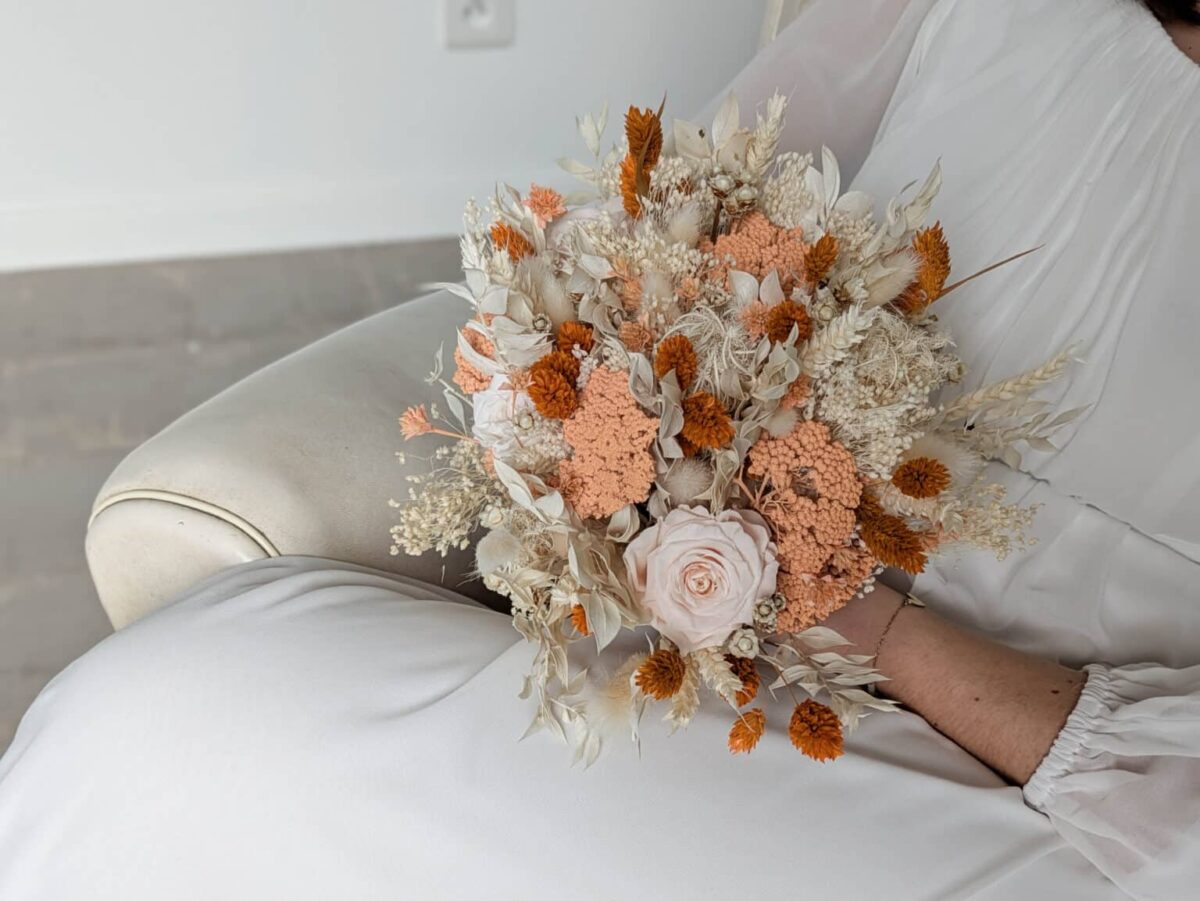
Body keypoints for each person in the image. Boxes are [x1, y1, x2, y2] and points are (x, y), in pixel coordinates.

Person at [1, 1, 1197, 898]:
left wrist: (854, 615)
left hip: (1045, 796)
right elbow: (678, 211)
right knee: (176, 712)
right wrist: (581, 388)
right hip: (725, 629)